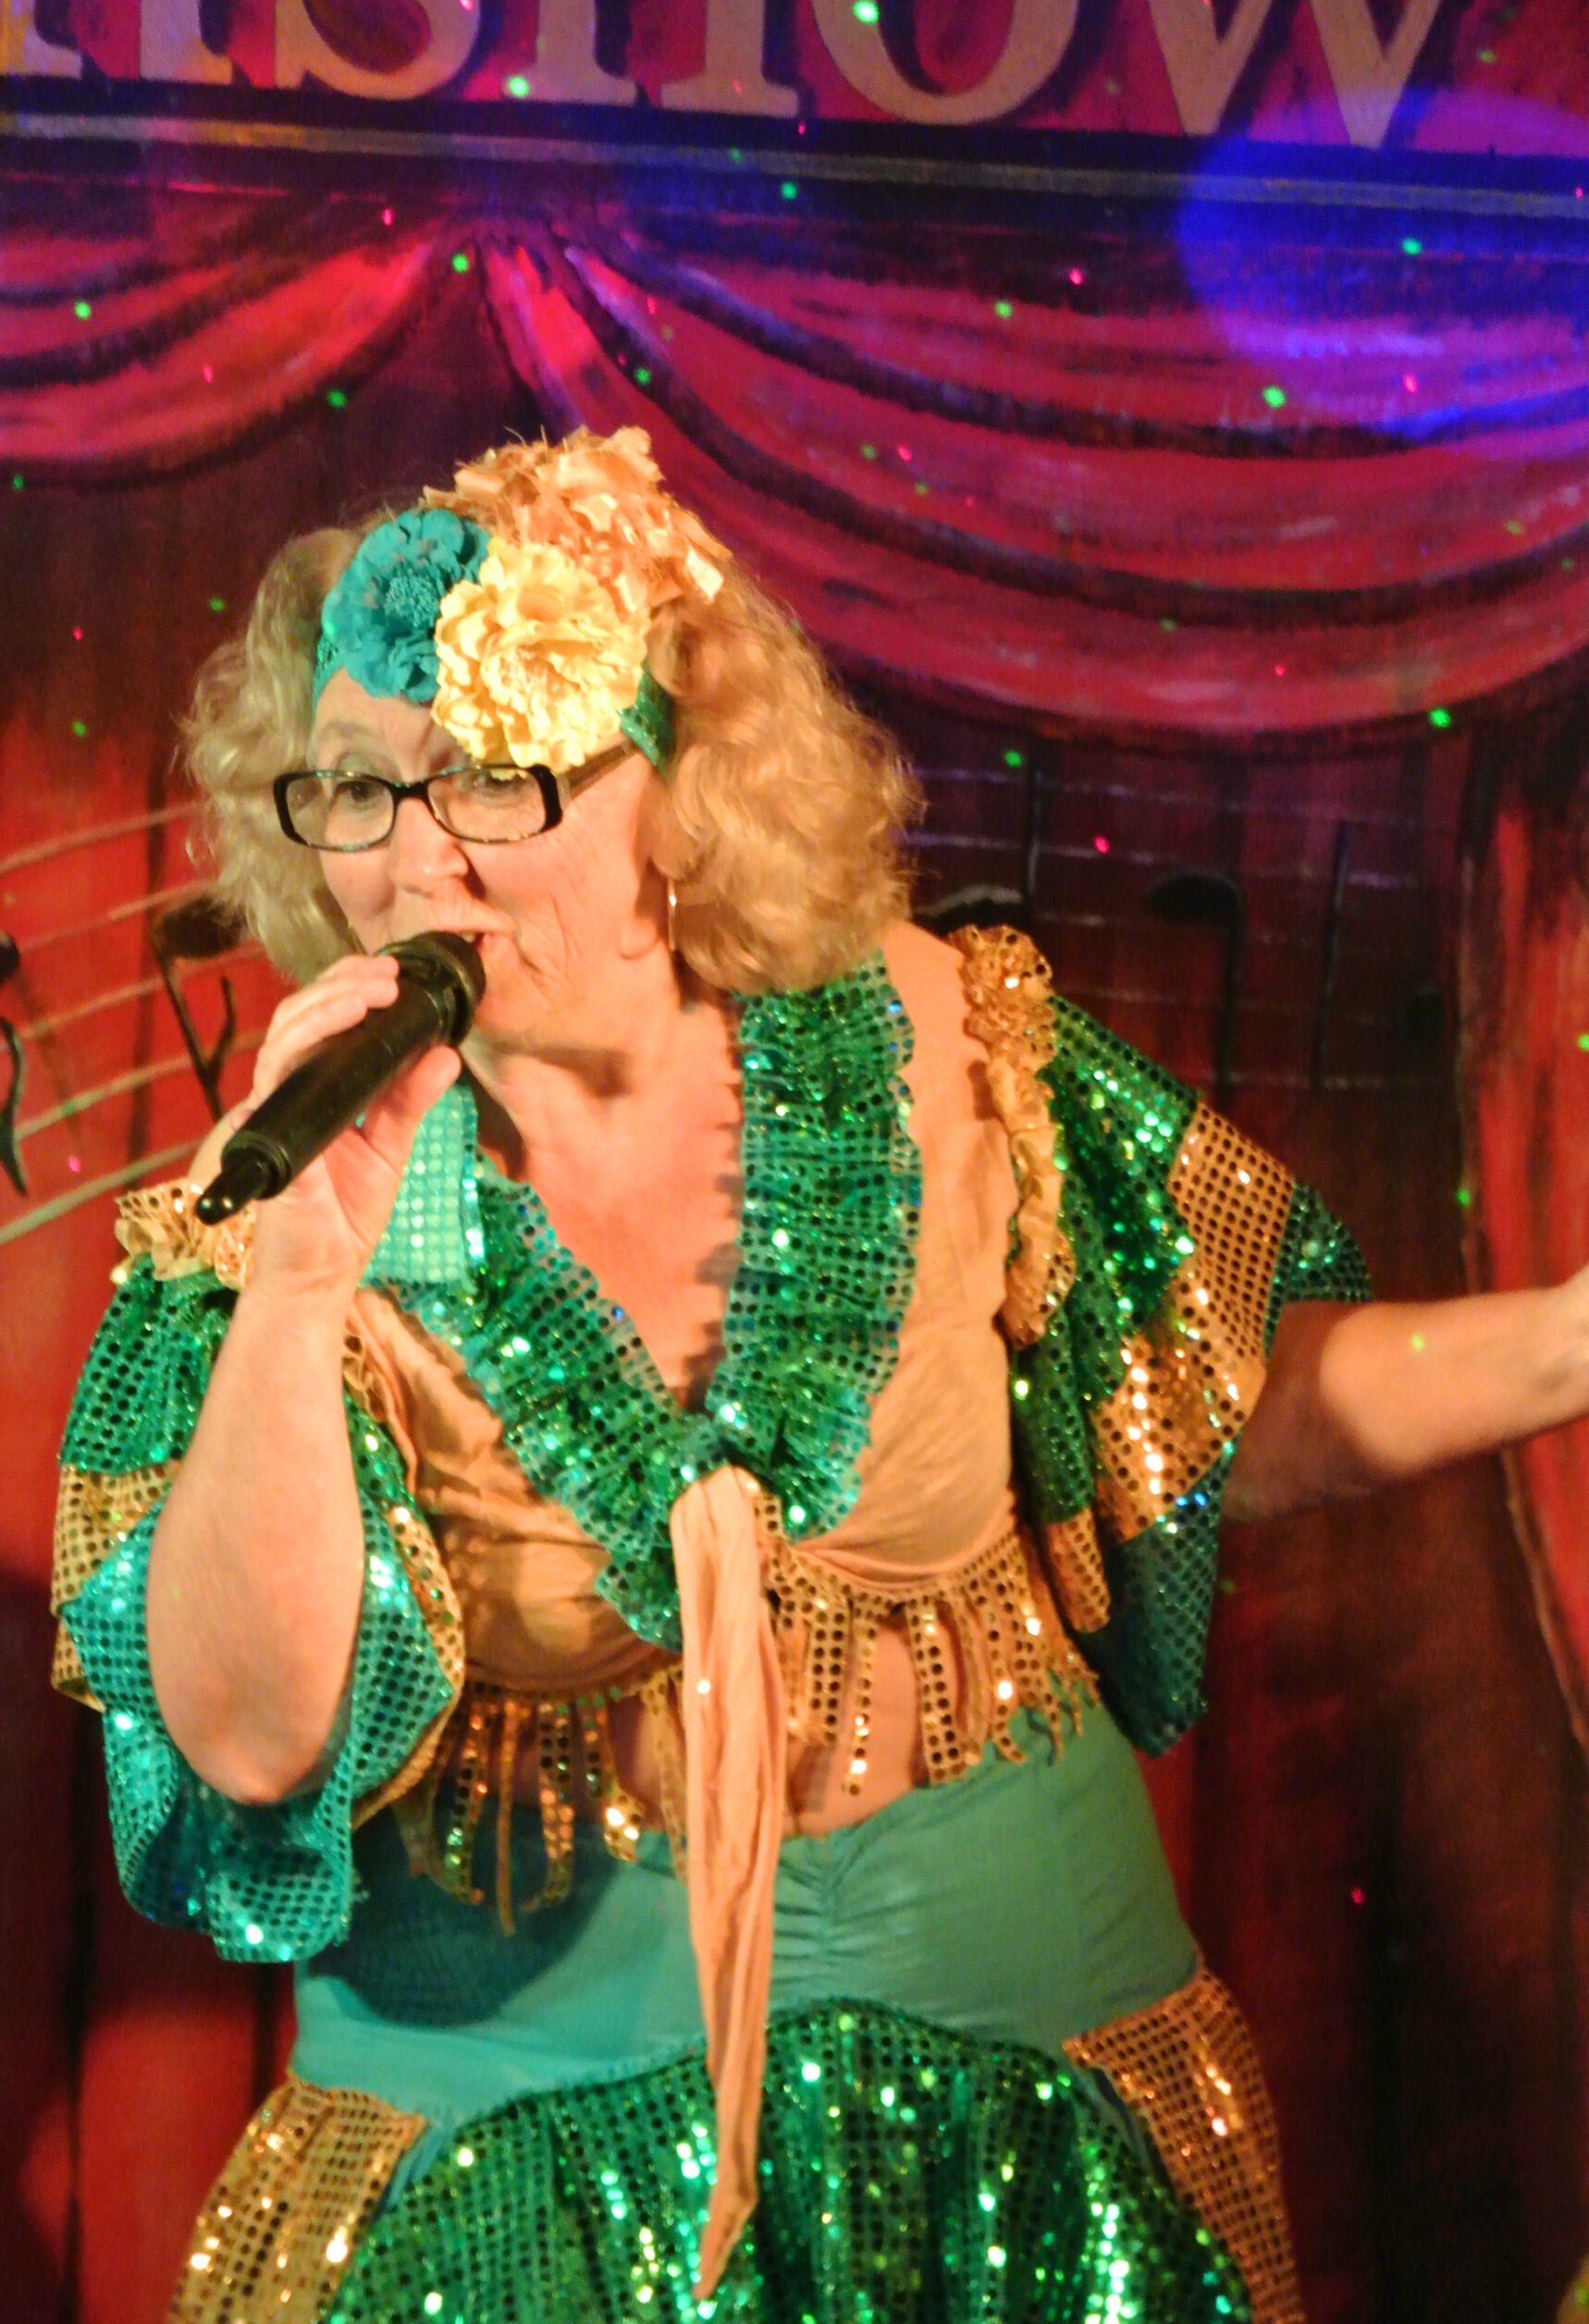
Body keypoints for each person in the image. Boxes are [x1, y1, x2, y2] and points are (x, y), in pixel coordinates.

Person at [51, 427, 1589, 2324]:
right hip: (517, 2195)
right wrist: (294, 1286)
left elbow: (1225, 1397)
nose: (410, 862)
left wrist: (1563, 1335)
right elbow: (245, 1737)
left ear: (674, 786)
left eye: (495, 777)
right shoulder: (285, 1197)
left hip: (1024, 2125)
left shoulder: (947, 1041)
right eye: (357, 789)